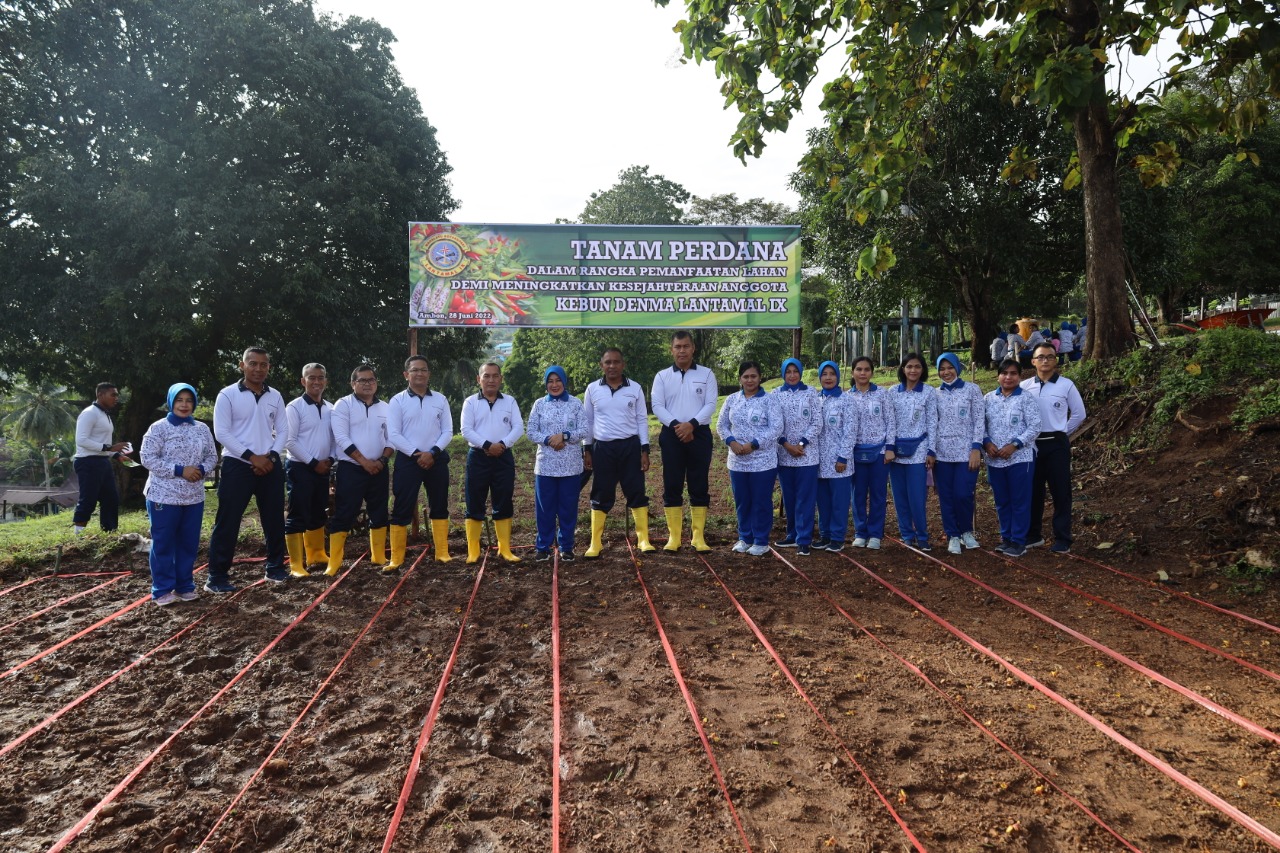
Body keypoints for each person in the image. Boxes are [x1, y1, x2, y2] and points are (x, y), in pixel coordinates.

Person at [207, 347, 289, 591]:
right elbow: (222, 433)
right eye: (253, 364)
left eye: (263, 365)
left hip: (269, 465)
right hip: (238, 465)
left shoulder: (275, 396)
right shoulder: (228, 394)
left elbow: (283, 430)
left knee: (274, 519)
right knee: (228, 521)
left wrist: (271, 457)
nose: (258, 369)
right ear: (242, 365)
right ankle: (217, 577)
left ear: (269, 368)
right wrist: (252, 458)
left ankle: (275, 568)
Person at [140, 383, 218, 605]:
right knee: (163, 543)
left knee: (188, 543)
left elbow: (212, 456)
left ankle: (185, 586)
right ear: (171, 402)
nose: (184, 405)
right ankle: (162, 590)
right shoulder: (158, 428)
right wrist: (180, 470)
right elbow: (147, 457)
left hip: (193, 497)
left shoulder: (201, 428)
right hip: (163, 496)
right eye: (179, 400)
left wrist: (201, 469)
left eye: (189, 400)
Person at [582, 348, 655, 557]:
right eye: (608, 362)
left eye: (616, 362)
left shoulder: (635, 388)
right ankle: (595, 543)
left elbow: (642, 420)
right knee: (600, 493)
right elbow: (588, 421)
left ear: (623, 364)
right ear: (601, 365)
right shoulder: (592, 389)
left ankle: (643, 539)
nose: (612, 366)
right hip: (603, 448)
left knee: (636, 491)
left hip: (630, 447)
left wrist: (645, 449)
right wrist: (587, 448)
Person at [650, 330, 717, 552]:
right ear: (671, 350)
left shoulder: (707, 374)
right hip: (672, 434)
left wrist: (692, 425)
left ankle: (698, 537)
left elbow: (711, 404)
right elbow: (657, 406)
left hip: (699, 433)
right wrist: (678, 426)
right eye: (677, 347)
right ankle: (674, 537)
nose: (682, 351)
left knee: (699, 483)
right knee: (672, 483)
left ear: (693, 348)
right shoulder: (662, 376)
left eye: (686, 346)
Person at [326, 364, 393, 575]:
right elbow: (341, 437)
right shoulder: (343, 405)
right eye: (362, 380)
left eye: (371, 380)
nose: (367, 384)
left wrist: (381, 460)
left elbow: (392, 438)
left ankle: (378, 556)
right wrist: (364, 462)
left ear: (376, 383)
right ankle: (335, 562)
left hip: (379, 469)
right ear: (353, 383)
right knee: (345, 513)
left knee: (379, 512)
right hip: (352, 468)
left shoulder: (385, 407)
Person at [387, 355, 454, 568]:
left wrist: (432, 452)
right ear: (406, 375)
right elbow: (393, 434)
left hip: (436, 459)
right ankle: (396, 558)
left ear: (429, 374)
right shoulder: (397, 401)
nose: (419, 373)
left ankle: (442, 552)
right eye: (415, 370)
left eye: (423, 370)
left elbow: (448, 431)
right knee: (402, 507)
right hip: (408, 460)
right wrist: (417, 454)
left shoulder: (440, 400)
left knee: (440, 504)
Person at [1021, 342, 1087, 553]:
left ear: (1055, 360)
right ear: (1033, 361)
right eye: (1040, 357)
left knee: (1060, 490)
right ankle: (1033, 535)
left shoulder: (1066, 385)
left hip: (1057, 444)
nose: (1045, 360)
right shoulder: (1024, 386)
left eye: (1049, 356)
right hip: (1032, 444)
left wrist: (1062, 431)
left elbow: (1079, 413)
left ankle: (1062, 537)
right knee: (1033, 490)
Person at [715, 361, 782, 556]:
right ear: (740, 379)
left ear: (760, 378)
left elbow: (776, 428)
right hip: (737, 461)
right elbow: (721, 425)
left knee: (761, 501)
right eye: (746, 376)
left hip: (763, 461)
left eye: (753, 376)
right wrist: (731, 442)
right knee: (742, 501)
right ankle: (745, 538)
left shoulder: (770, 400)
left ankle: (761, 541)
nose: (750, 380)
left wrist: (753, 444)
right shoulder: (732, 400)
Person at [460, 362, 524, 564]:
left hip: (503, 457)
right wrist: (487, 445)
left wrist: (502, 445)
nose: (491, 380)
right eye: (486, 376)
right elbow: (466, 430)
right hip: (478, 457)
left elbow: (518, 427)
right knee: (474, 501)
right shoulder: (470, 402)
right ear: (478, 379)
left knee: (503, 499)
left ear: (501, 379)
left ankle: (504, 549)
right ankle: (473, 551)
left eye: (495, 376)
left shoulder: (510, 401)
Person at [525, 365, 587, 562]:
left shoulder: (576, 404)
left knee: (568, 508)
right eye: (550, 381)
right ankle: (543, 547)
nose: (554, 385)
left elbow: (584, 430)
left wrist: (565, 436)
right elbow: (531, 431)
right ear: (545, 384)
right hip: (546, 466)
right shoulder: (539, 404)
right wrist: (549, 440)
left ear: (564, 382)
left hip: (570, 466)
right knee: (545, 509)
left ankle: (566, 547)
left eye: (558, 380)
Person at [983, 358, 1042, 557]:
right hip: (994, 459)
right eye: (1004, 373)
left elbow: (1035, 426)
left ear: (1019, 376)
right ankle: (1006, 538)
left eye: (1013, 373)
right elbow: (980, 425)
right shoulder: (988, 398)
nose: (1008, 377)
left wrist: (1015, 445)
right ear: (998, 376)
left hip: (1020, 458)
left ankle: (1018, 541)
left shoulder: (1026, 398)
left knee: (1019, 500)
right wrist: (987, 443)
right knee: (1002, 500)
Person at [283, 363, 335, 577]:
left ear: (326, 381)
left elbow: (335, 438)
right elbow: (289, 441)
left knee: (318, 511)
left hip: (323, 468)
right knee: (298, 513)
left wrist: (330, 459)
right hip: (300, 468)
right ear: (303, 381)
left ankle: (316, 554)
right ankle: (296, 564)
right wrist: (314, 463)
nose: (316, 381)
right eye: (311, 377)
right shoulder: (294, 408)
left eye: (320, 377)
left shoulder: (331, 408)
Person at [933, 353, 986, 555]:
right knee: (946, 496)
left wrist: (976, 448)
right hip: (942, 453)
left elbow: (979, 420)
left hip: (966, 452)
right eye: (942, 369)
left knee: (963, 494)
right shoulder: (935, 394)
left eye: (950, 367)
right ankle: (952, 535)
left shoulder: (972, 390)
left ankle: (966, 531)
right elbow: (932, 423)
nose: (946, 372)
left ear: (957, 368)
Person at [846, 356, 896, 549]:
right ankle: (860, 532)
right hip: (855, 453)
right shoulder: (847, 397)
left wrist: (889, 448)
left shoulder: (882, 394)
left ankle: (875, 534)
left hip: (880, 451)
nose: (863, 373)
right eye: (859, 369)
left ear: (872, 372)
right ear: (853, 372)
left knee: (878, 494)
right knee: (857, 493)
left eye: (866, 369)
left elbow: (890, 421)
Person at [774, 358, 822, 555]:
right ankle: (792, 534)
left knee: (805, 498)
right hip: (784, 455)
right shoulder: (775, 394)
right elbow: (774, 423)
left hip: (807, 455)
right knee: (790, 497)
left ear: (800, 373)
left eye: (795, 371)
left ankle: (804, 538)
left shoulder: (811, 392)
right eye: (788, 371)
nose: (792, 375)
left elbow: (817, 422)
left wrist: (801, 444)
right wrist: (787, 445)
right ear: (783, 373)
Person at [888, 353, 937, 550]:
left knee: (917, 497)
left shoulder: (929, 392)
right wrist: (889, 447)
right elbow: (889, 422)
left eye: (917, 366)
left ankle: (922, 535)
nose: (913, 370)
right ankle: (907, 534)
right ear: (903, 369)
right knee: (899, 496)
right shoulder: (893, 392)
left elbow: (932, 422)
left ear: (923, 369)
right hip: (895, 452)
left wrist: (931, 450)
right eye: (909, 366)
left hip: (919, 450)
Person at [72, 382, 130, 533]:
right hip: (87, 462)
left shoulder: (104, 414)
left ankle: (110, 533)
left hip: (102, 461)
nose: (116, 398)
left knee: (111, 499)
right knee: (88, 499)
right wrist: (109, 448)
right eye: (113, 395)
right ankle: (78, 536)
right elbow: (81, 440)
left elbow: (101, 443)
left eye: (117, 395)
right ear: (100, 395)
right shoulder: (89, 413)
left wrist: (116, 455)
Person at [814, 361, 855, 552]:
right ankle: (825, 535)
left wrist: (843, 457)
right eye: (824, 374)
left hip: (839, 461)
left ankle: (838, 537)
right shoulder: (815, 399)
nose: (828, 377)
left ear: (838, 377)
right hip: (818, 461)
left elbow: (850, 431)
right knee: (823, 501)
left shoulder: (847, 400)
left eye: (832, 374)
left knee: (839, 501)